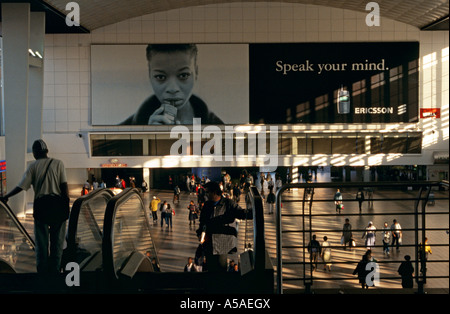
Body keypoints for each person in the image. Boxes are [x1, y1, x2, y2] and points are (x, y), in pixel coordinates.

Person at [0, 139, 69, 278]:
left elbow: (21, 186)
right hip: (57, 206)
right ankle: (55, 273)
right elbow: (64, 187)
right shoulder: (58, 163)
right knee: (57, 243)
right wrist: (66, 207)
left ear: (35, 154)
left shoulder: (33, 166)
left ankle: (42, 275)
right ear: (46, 151)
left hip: (42, 207)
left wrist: (6, 196)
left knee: (42, 244)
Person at [120, 44, 223, 125]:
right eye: (160, 77)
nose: (172, 89)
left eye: (183, 75)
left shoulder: (221, 130)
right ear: (149, 75)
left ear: (196, 72)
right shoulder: (122, 136)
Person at [196, 181, 250, 272]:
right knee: (210, 269)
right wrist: (199, 233)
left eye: (208, 192)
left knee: (221, 269)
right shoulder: (207, 205)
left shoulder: (228, 203)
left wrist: (253, 212)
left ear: (214, 192)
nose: (206, 194)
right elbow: (202, 221)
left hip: (222, 243)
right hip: (209, 243)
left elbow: (240, 213)